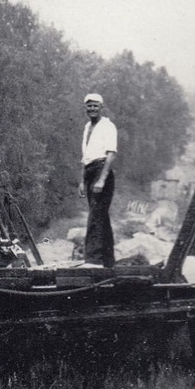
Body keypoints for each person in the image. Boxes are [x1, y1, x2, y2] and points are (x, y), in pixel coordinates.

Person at [78, 93, 118, 267]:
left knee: (95, 215)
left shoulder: (108, 126)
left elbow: (110, 154)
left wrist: (102, 179)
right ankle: (108, 260)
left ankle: (94, 259)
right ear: (85, 108)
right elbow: (85, 156)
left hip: (102, 170)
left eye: (95, 106)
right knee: (101, 215)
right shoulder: (87, 127)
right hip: (90, 170)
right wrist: (82, 180)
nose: (92, 109)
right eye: (89, 106)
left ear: (101, 107)